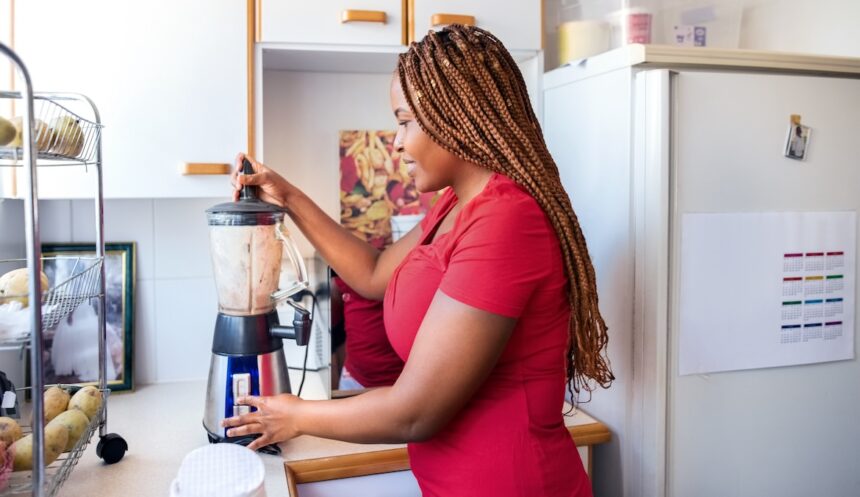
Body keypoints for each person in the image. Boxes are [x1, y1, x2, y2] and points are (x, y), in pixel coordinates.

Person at [223, 25, 613, 497]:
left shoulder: (507, 220)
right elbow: (371, 275)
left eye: (405, 121)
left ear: (457, 114)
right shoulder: (455, 204)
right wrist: (285, 195)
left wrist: (294, 415)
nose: (398, 142)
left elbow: (416, 410)